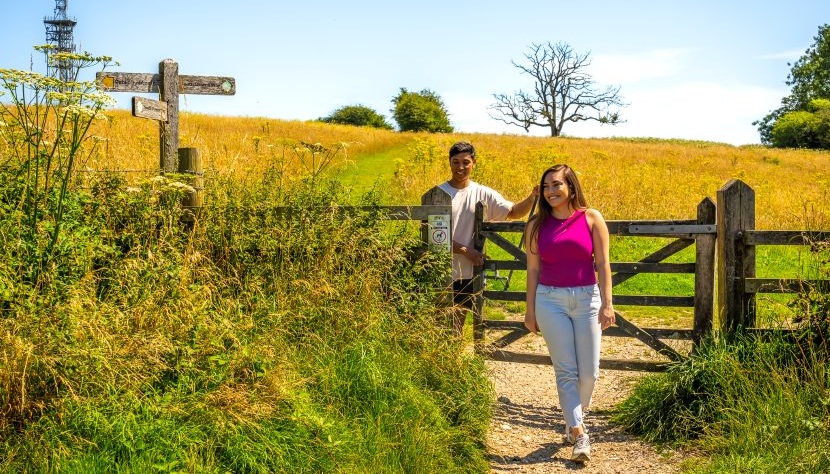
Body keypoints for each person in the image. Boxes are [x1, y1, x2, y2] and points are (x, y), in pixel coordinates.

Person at [523, 164, 615, 463]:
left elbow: (602, 264)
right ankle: (577, 431)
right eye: (546, 186)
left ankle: (573, 413)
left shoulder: (591, 218)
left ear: (571, 188)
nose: (551, 191)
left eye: (557, 185)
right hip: (549, 300)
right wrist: (530, 310)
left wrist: (607, 303)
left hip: (588, 298)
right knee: (566, 371)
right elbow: (533, 270)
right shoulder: (537, 225)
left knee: (588, 373)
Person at [438, 141, 537, 336]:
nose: (460, 167)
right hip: (439, 270)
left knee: (456, 326)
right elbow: (433, 237)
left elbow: (514, 212)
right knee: (439, 326)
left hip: (467, 272)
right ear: (449, 162)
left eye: (465, 162)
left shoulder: (482, 193)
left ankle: (451, 364)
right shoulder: (438, 194)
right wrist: (466, 251)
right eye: (455, 162)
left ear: (473, 162)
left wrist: (533, 196)